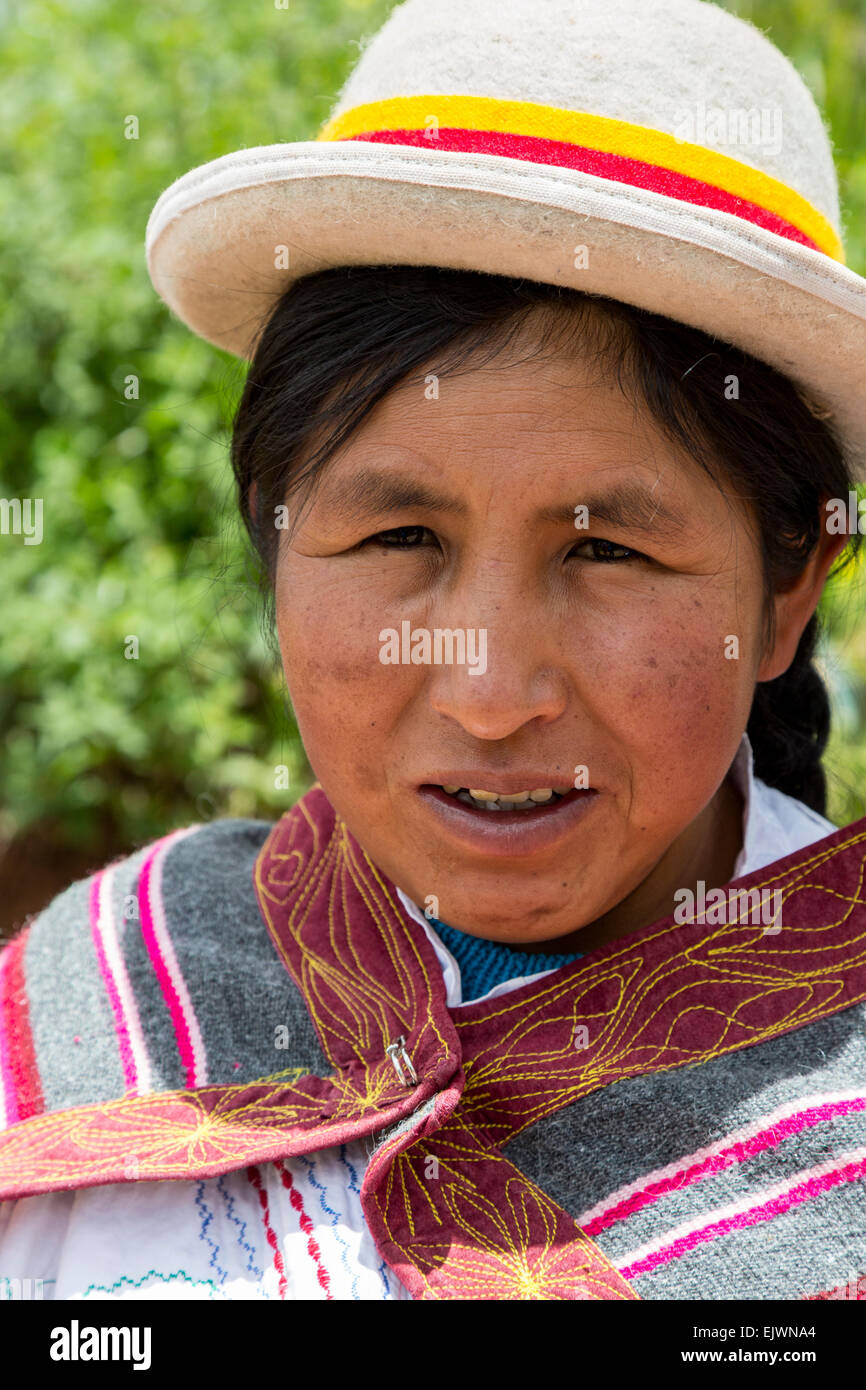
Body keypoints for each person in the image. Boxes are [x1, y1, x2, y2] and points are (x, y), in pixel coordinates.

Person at [1, 0, 865, 1301]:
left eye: (606, 553)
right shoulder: (104, 994)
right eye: (400, 533)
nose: (491, 692)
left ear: (788, 584)